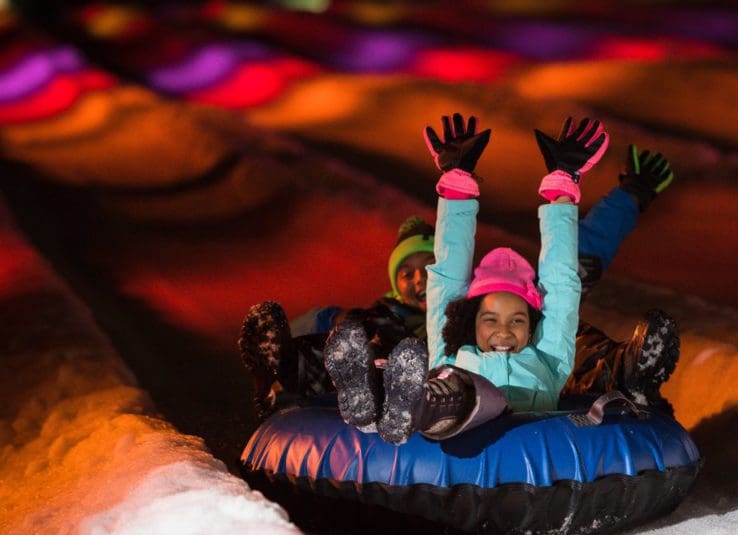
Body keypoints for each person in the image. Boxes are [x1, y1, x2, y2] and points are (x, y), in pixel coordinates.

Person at [238, 119, 679, 422]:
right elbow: (445, 278)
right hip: (428, 386)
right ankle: (351, 390)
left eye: (423, 265)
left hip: (492, 381)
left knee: (582, 339)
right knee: (379, 349)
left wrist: (570, 188)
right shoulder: (437, 339)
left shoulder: (542, 350)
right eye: (406, 271)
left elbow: (565, 276)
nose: (417, 278)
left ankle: (631, 372)